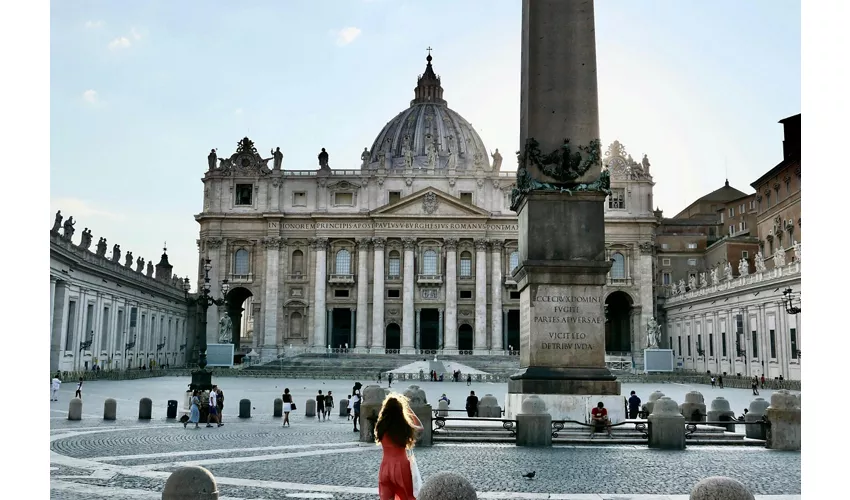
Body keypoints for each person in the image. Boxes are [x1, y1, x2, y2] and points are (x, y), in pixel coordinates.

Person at [374, 393, 424, 500]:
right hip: (401, 466)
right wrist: (409, 410)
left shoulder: (380, 426)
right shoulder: (404, 426)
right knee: (408, 496)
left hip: (385, 466)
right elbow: (420, 428)